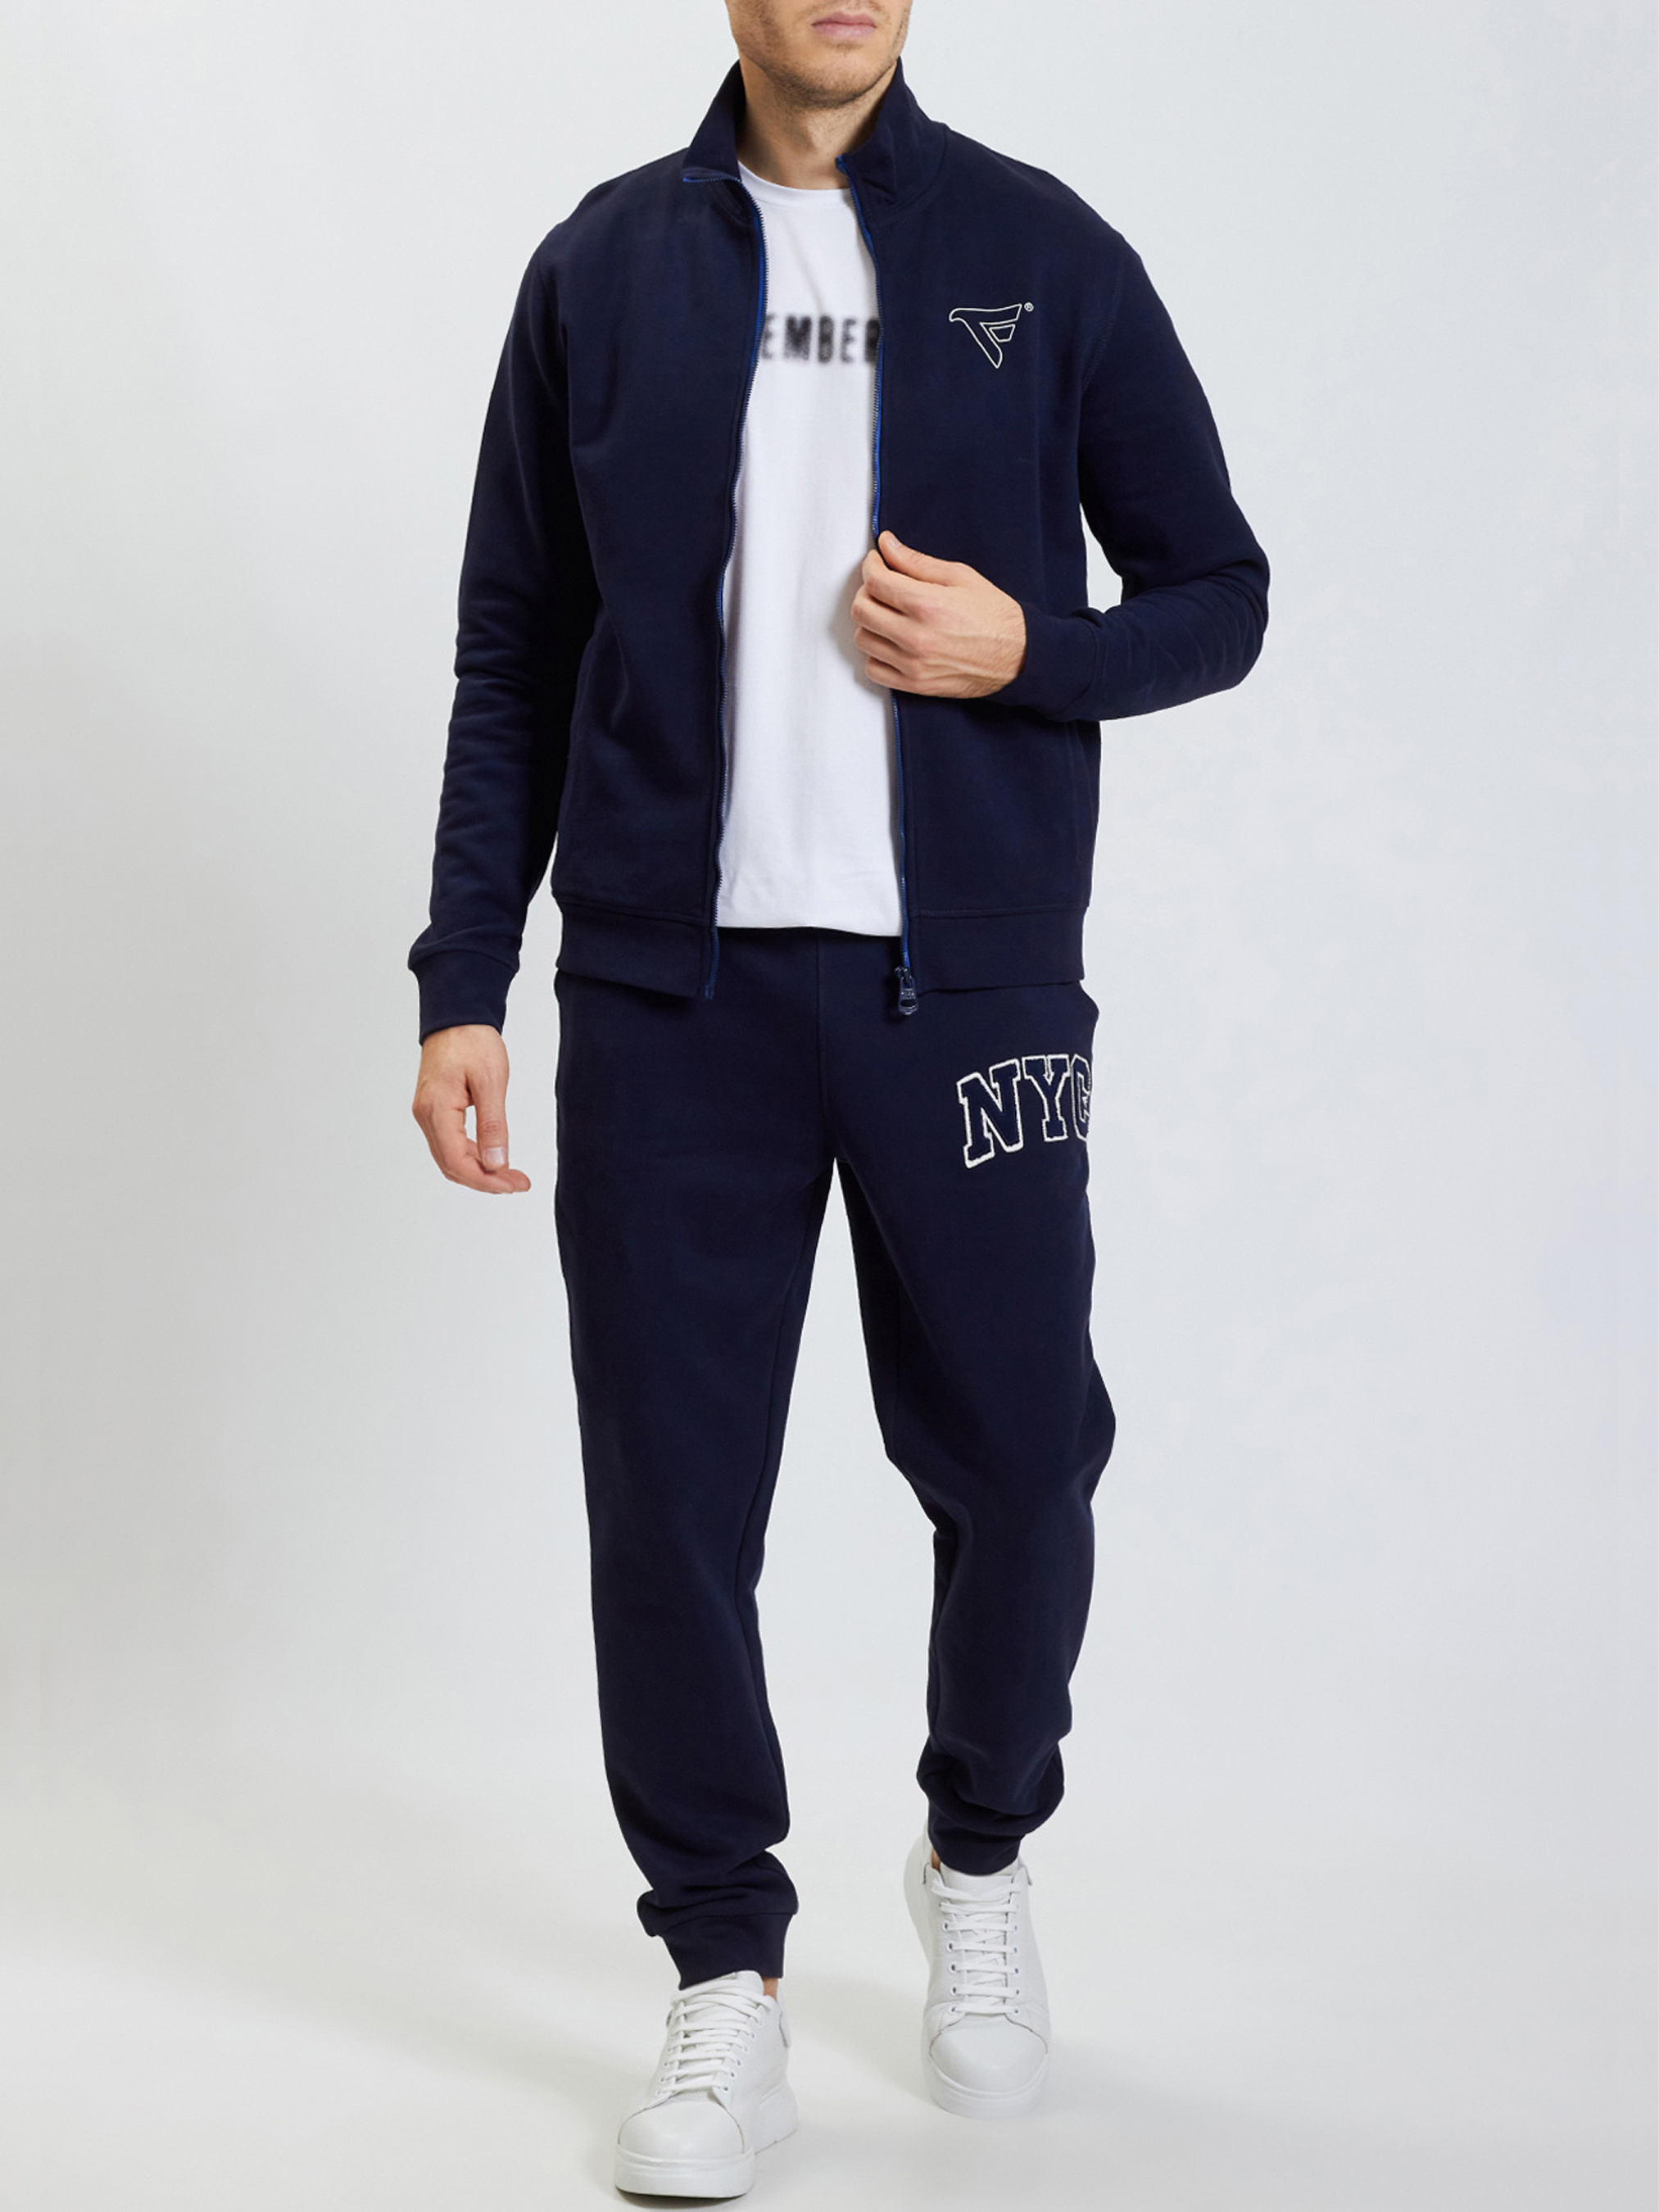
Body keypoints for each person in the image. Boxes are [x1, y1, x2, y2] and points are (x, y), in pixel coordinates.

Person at [410, 0, 1267, 2196]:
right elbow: (515, 642)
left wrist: (1028, 650)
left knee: (1025, 1458)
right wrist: (462, 976)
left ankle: (978, 1846)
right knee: (669, 1500)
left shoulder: (1037, 252)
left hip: (965, 996)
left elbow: (1219, 594)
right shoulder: (604, 266)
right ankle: (725, 1965)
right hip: (668, 997)